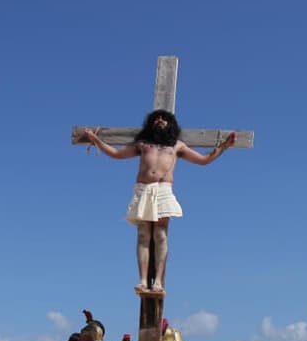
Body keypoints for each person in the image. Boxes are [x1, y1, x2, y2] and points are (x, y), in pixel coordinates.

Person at [81, 111, 236, 294]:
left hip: (163, 190)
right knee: (143, 235)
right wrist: (95, 140)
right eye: (157, 118)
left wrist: (224, 146)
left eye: (164, 118)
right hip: (143, 189)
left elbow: (204, 160)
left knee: (161, 235)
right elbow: (116, 154)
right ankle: (143, 280)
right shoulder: (143, 144)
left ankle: (158, 282)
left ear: (171, 124)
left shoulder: (177, 146)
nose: (160, 120)